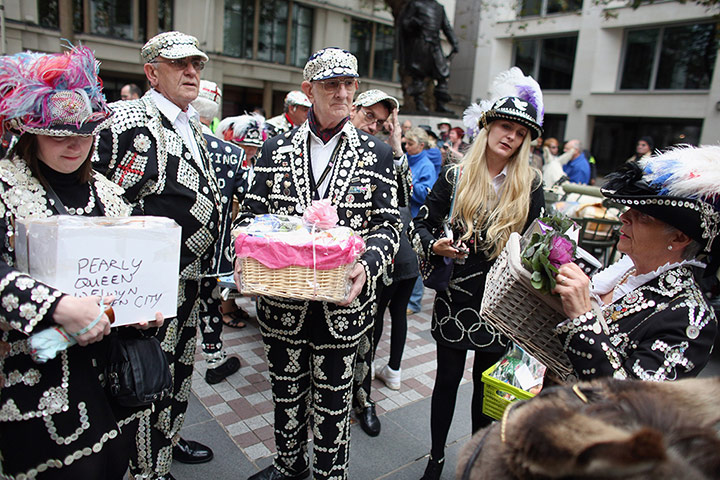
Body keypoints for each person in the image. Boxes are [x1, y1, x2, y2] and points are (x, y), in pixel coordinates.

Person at [235, 47, 400, 480]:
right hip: (282, 304)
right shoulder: (274, 149)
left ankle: (330, 475)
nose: (343, 93)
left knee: (333, 403)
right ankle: (289, 468)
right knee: (286, 395)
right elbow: (250, 217)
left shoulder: (377, 154)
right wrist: (244, 254)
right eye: (332, 85)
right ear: (309, 91)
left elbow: (390, 226)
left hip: (342, 307)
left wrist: (367, 261)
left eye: (349, 84)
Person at [0, 45, 163, 479]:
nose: (74, 144)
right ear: (29, 131)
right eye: (57, 133)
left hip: (113, 376)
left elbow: (136, 273)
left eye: (85, 132)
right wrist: (56, 305)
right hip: (37, 379)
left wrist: (145, 312)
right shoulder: (3, 186)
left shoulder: (108, 192)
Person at [93, 31, 222, 479]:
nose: (192, 72)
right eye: (180, 64)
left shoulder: (192, 124)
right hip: (145, 288)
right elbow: (93, 195)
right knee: (146, 378)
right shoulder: (125, 118)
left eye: (197, 65)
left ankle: (166, 446)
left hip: (189, 281)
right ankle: (148, 468)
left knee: (180, 374)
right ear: (152, 72)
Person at [411, 68, 545, 480]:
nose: (511, 137)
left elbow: (532, 248)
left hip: (500, 306)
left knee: (487, 392)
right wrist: (435, 245)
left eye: (520, 133)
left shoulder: (531, 185)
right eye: (505, 126)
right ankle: (435, 459)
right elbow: (421, 224)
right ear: (487, 127)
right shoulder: (455, 175)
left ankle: (475, 465)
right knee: (447, 382)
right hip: (455, 297)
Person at [554, 146, 718, 381]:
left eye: (644, 216)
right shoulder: (623, 273)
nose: (624, 216)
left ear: (679, 238)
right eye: (631, 208)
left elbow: (632, 402)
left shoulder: (691, 318)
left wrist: (582, 319)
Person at [348, 89, 415, 437]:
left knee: (366, 338)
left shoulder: (382, 153)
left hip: (370, 266)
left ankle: (362, 400)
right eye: (368, 116)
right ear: (353, 109)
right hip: (326, 263)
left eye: (381, 121)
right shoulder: (331, 147)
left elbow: (404, 196)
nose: (373, 125)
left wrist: (396, 145)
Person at [190, 86, 248, 384]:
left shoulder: (170, 142)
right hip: (214, 249)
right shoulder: (231, 153)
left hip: (173, 252)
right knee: (210, 300)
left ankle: (165, 363)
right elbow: (247, 200)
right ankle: (213, 358)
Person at [398, 0, 459, 114]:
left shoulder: (439, 7)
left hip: (435, 45)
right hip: (420, 44)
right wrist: (413, 23)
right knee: (418, 75)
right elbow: (405, 23)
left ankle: (440, 104)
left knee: (442, 74)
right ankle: (419, 103)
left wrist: (454, 42)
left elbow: (446, 26)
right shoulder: (415, 4)